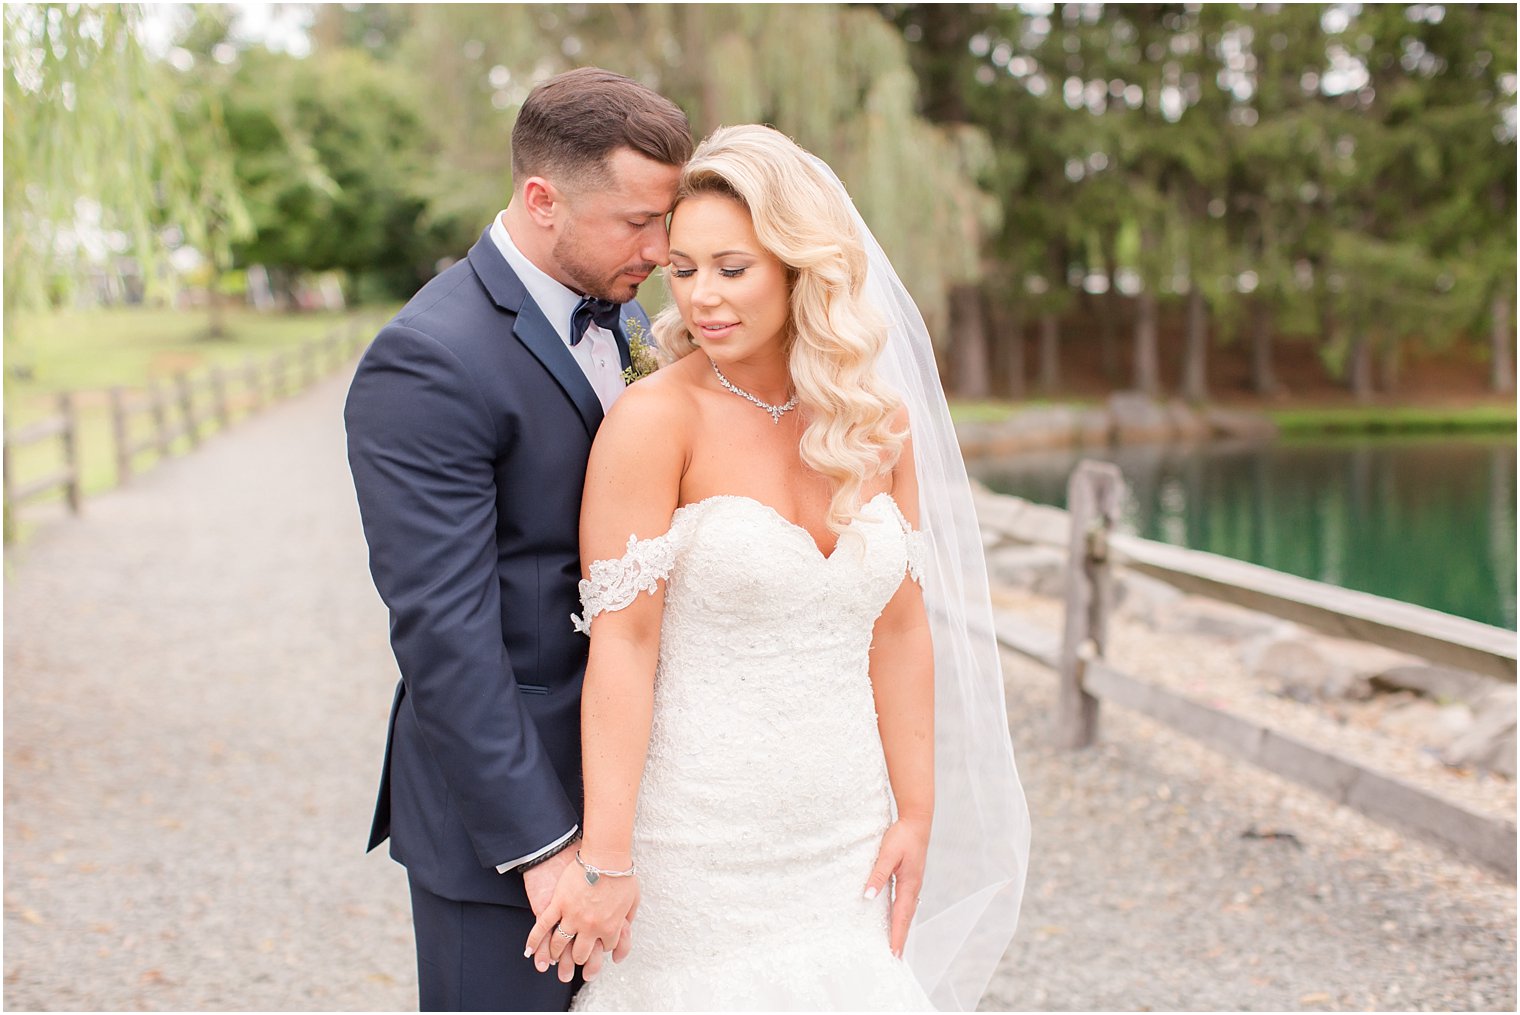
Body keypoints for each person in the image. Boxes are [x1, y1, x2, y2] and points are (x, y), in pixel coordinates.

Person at [523, 125, 1030, 1011]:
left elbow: (902, 631)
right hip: (697, 839)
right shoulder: (655, 422)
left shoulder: (878, 422)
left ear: (802, 268)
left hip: (844, 832)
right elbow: (625, 646)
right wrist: (607, 858)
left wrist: (915, 812)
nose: (702, 297)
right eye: (682, 269)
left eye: (733, 267)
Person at [343, 67, 691, 1011]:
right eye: (636, 222)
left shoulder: (623, 314)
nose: (662, 251)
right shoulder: (428, 360)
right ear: (542, 199)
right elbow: (443, 631)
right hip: (509, 828)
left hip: (650, 799)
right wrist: (541, 849)